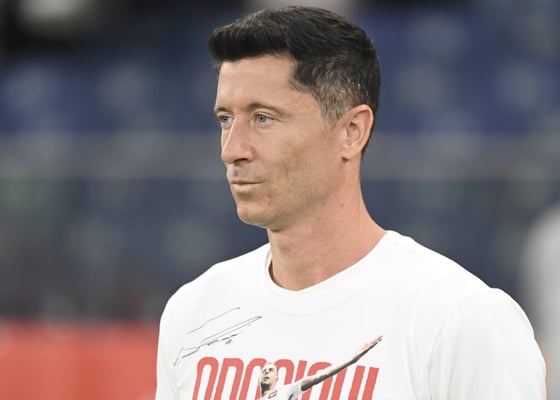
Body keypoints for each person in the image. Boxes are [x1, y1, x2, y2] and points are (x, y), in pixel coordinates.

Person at [156, 6, 546, 399]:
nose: (231, 150)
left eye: (262, 118)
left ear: (352, 131)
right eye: (225, 119)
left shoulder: (459, 320)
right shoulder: (193, 312)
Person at [258, 337, 382, 399]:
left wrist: (352, 359)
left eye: (271, 370)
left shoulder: (285, 390)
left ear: (277, 378)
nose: (267, 372)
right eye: (264, 371)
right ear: (259, 379)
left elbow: (321, 375)